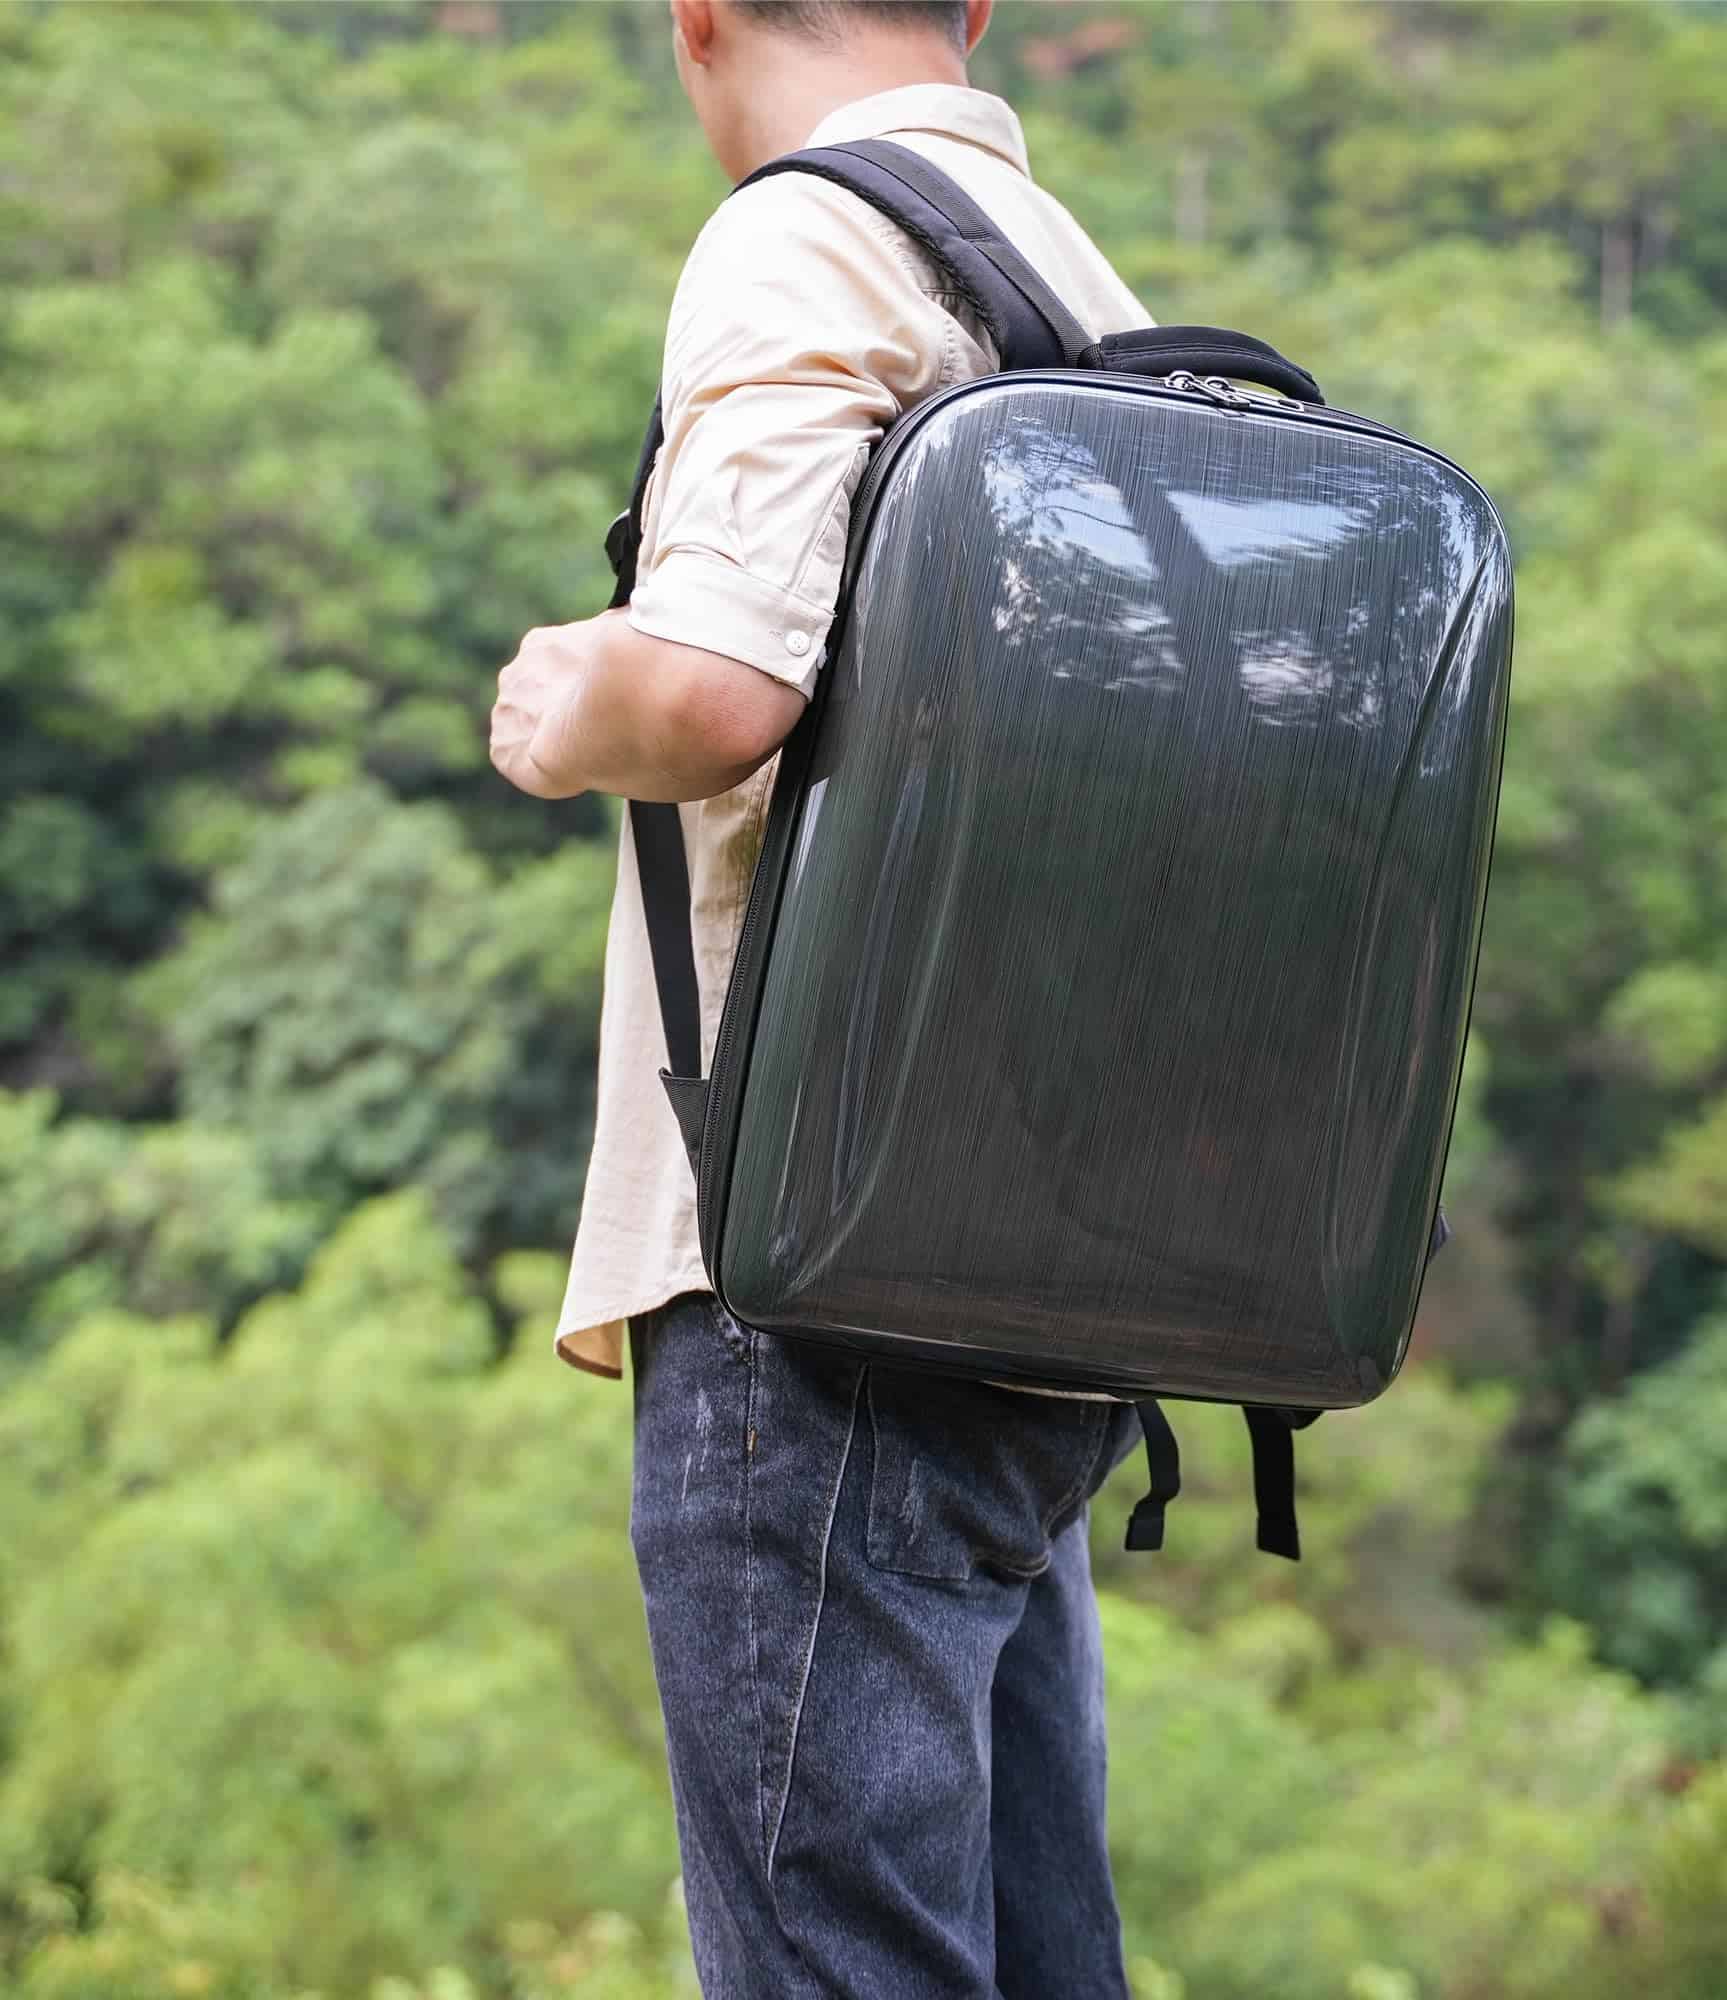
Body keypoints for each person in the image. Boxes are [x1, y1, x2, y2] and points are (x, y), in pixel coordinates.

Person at [488, 3, 1153, 1993]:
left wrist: (565, 698)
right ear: (974, 11)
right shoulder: (1071, 289)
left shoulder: (807, 236)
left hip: (814, 1280)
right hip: (1046, 1286)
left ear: (696, 15)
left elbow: (713, 687)